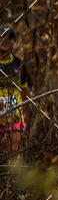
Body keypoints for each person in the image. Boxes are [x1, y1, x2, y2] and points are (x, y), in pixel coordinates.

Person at [0, 24, 30, 154]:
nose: (6, 40)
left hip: (15, 117)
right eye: (3, 37)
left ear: (14, 42)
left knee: (14, 153)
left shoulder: (19, 63)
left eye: (10, 38)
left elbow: (24, 90)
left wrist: (26, 113)